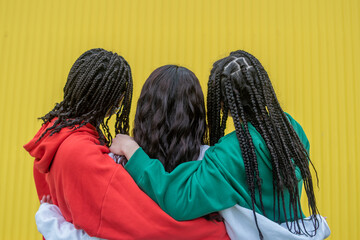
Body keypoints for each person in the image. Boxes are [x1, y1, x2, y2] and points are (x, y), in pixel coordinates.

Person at [110, 51, 331, 239]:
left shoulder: (231, 153)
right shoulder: (291, 129)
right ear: (262, 84)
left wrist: (132, 150)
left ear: (222, 103)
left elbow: (179, 199)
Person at [24, 51, 229, 239]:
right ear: (198, 116)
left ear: (144, 111)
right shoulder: (213, 165)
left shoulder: (115, 160)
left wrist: (50, 222)